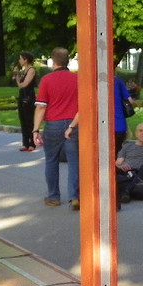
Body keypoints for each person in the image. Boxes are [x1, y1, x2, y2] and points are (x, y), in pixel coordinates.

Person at [32, 47, 79, 209]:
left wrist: (35, 130)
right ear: (67, 61)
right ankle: (75, 196)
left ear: (53, 61)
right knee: (74, 161)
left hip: (53, 124)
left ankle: (54, 197)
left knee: (51, 161)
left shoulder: (47, 80)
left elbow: (41, 107)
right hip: (74, 124)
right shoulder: (77, 79)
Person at [14, 52, 38, 151]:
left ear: (26, 60)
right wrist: (16, 74)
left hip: (28, 97)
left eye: (21, 59)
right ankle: (25, 143)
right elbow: (19, 83)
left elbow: (23, 84)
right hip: (22, 96)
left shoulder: (31, 70)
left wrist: (17, 79)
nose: (19, 61)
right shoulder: (24, 70)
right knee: (23, 120)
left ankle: (32, 143)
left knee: (29, 120)